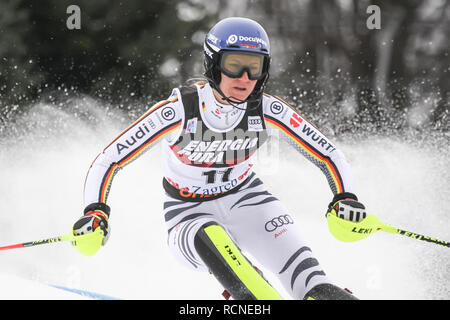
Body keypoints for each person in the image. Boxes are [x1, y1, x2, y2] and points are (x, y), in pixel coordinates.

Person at [72, 17, 367, 300]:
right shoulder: (180, 110)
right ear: (213, 63)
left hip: (249, 202)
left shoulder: (268, 110)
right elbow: (109, 159)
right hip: (188, 215)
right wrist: (96, 211)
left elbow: (328, 154)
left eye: (254, 67)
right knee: (219, 245)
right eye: (234, 65)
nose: (245, 78)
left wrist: (345, 198)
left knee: (312, 284)